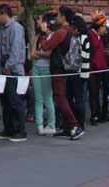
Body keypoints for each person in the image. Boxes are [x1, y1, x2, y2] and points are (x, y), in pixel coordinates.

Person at [39, 10, 83, 139]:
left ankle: (75, 126)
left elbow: (46, 46)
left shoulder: (61, 32)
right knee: (63, 96)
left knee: (60, 97)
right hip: (67, 68)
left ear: (63, 17)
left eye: (58, 15)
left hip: (59, 68)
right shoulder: (71, 31)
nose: (56, 18)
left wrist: (43, 33)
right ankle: (67, 127)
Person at [0, 4, 28, 141]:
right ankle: (9, 129)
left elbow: (15, 50)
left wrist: (8, 66)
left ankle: (20, 130)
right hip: (4, 69)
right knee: (6, 102)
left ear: (4, 14)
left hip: (13, 70)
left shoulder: (16, 28)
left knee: (15, 101)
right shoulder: (3, 29)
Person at [60, 6, 91, 130]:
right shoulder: (85, 37)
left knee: (76, 99)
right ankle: (78, 124)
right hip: (83, 72)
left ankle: (78, 124)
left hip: (76, 71)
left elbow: (81, 56)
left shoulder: (79, 38)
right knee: (78, 98)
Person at [30, 11, 57, 136]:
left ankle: (51, 124)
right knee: (38, 98)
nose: (40, 23)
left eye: (41, 21)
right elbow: (32, 54)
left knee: (48, 98)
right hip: (36, 68)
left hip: (47, 69)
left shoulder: (53, 36)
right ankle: (40, 125)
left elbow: (49, 54)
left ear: (47, 23)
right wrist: (41, 54)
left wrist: (39, 54)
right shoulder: (38, 36)